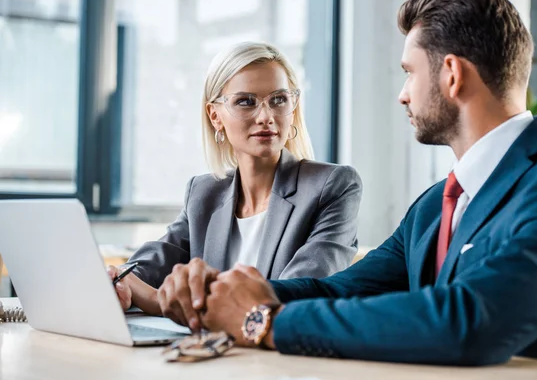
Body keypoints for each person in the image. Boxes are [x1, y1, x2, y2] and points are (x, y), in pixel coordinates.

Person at [156, 0, 537, 366]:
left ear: (451, 75)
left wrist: (263, 321)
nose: (403, 95)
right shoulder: (432, 207)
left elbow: (467, 322)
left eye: (409, 73)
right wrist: (221, 293)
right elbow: (341, 292)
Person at [107, 42, 363, 325]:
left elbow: (301, 292)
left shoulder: (333, 186)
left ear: (293, 107)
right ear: (215, 116)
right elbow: (152, 262)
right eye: (246, 101)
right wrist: (119, 281)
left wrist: (156, 301)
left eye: (278, 100)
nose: (266, 117)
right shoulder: (204, 193)